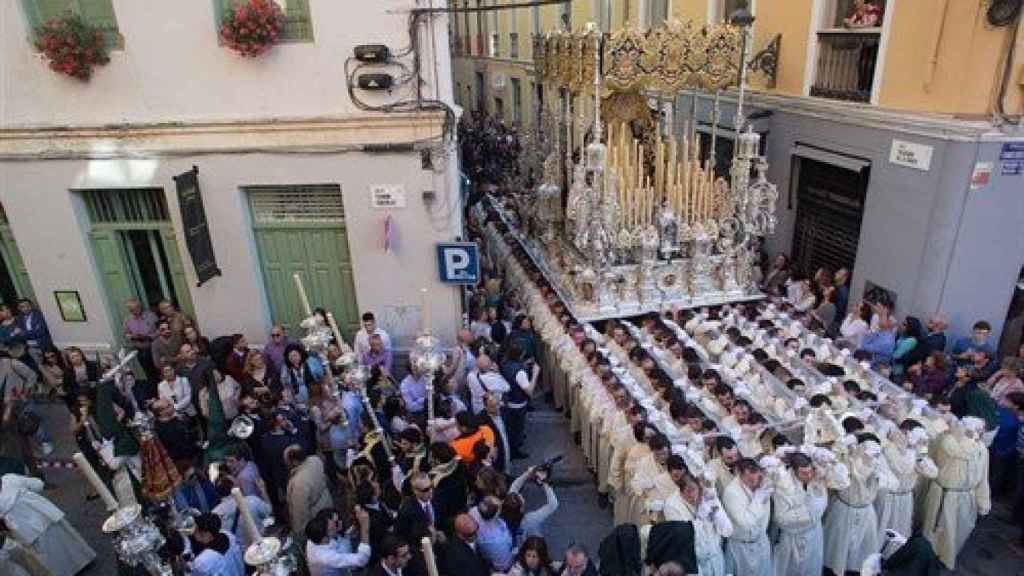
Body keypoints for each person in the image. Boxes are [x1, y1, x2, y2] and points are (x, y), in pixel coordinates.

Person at [921, 417, 992, 569]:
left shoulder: (982, 449)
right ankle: (929, 561)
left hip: (967, 496)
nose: (981, 433)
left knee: (958, 532)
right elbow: (962, 451)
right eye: (977, 430)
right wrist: (967, 436)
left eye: (981, 430)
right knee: (939, 533)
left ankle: (946, 559)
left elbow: (983, 477)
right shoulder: (949, 441)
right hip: (946, 495)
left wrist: (983, 500)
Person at [0, 473, 96, 576]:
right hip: (44, 514)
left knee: (48, 556)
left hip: (26, 530)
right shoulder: (10, 478)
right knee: (65, 540)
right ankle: (83, 560)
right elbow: (38, 484)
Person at [721, 458, 772, 576]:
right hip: (740, 547)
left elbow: (765, 517)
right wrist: (758, 499)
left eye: (756, 475)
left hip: (761, 543)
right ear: (740, 474)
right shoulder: (731, 492)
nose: (754, 480)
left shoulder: (763, 484)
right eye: (749, 478)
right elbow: (745, 522)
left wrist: (760, 535)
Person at [305, 506, 372, 576]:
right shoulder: (328, 557)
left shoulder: (314, 536)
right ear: (324, 538)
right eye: (334, 525)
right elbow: (362, 559)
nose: (340, 524)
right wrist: (364, 527)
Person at [500, 342, 539, 460]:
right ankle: (514, 451)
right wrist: (535, 374)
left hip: (508, 401)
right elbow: (529, 391)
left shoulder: (505, 364)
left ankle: (513, 447)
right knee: (517, 429)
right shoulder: (520, 372)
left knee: (511, 427)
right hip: (518, 404)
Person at [285, 444, 334, 536]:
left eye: (287, 461)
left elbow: (300, 511)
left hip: (316, 515)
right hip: (327, 501)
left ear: (294, 462)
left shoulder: (298, 483)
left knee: (325, 535)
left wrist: (300, 532)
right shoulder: (315, 459)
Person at [211, 475, 272, 549]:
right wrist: (263, 490)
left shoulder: (215, 514)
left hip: (241, 554)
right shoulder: (252, 501)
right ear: (235, 488)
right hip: (262, 547)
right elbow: (269, 510)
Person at [469, 495, 516, 572]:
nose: (502, 501)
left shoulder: (473, 511)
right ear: (496, 515)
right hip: (498, 560)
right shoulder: (500, 540)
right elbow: (504, 566)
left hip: (483, 550)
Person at [122, 297, 159, 382]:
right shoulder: (127, 320)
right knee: (148, 374)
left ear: (140, 306)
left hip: (153, 347)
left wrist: (149, 336)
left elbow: (159, 330)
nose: (135, 311)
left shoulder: (151, 316)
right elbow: (125, 335)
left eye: (136, 308)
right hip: (139, 349)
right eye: (131, 309)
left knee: (158, 370)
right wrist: (132, 336)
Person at [14, 300, 51, 370]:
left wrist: (24, 333)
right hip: (30, 348)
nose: (25, 308)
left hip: (43, 345)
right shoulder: (19, 318)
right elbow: (19, 334)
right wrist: (31, 332)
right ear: (19, 308)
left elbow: (40, 331)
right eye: (22, 307)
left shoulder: (39, 315)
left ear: (31, 305)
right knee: (39, 368)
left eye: (27, 306)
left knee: (49, 365)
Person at [479, 391, 511, 472]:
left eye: (497, 404)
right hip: (496, 456)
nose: (497, 409)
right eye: (493, 406)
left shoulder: (503, 411)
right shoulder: (481, 420)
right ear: (485, 407)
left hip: (506, 447)